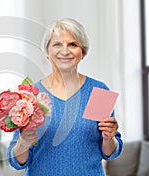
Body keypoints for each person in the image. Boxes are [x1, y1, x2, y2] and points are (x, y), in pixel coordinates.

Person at [7, 18, 123, 175]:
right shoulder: (30, 94)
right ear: (47, 52)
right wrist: (23, 142)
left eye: (73, 44)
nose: (65, 50)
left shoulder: (99, 91)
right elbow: (17, 162)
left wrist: (109, 138)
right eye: (57, 44)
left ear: (83, 52)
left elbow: (109, 153)